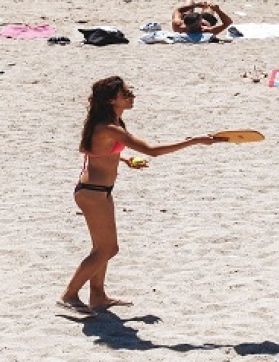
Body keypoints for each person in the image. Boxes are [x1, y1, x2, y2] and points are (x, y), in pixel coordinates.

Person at [59, 75, 225, 315]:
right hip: (92, 193)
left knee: (104, 248)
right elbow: (151, 151)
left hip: (100, 192)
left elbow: (89, 149)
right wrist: (193, 141)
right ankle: (69, 295)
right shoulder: (109, 127)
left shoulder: (111, 122)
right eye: (125, 93)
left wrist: (124, 158)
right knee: (106, 249)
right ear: (112, 100)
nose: (131, 95)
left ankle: (98, 295)